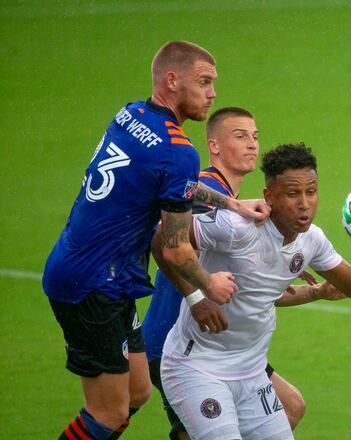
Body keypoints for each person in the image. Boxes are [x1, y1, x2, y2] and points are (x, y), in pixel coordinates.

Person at [41, 41, 267, 439]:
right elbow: (175, 248)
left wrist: (230, 204)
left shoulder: (132, 114)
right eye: (204, 82)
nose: (212, 93)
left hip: (88, 267)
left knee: (138, 391)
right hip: (94, 284)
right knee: (107, 413)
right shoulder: (178, 151)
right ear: (172, 80)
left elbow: (167, 183)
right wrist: (208, 284)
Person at [155, 143, 351, 440]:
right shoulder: (237, 226)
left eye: (311, 192)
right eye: (292, 193)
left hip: (251, 373)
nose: (304, 203)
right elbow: (163, 238)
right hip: (197, 367)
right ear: (269, 196)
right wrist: (196, 296)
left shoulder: (312, 241)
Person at [142, 107, 317, 439]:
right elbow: (165, 237)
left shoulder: (233, 201)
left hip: (225, 349)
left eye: (255, 136)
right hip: (182, 342)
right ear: (214, 146)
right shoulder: (207, 190)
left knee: (290, 406)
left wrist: (283, 271)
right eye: (240, 136)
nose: (252, 144)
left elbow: (245, 290)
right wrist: (197, 296)